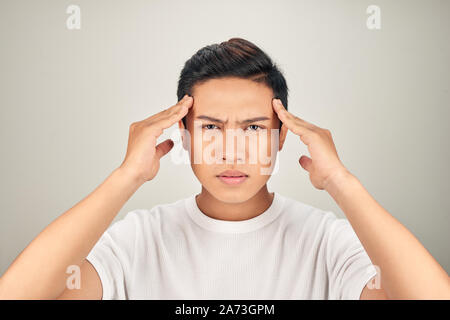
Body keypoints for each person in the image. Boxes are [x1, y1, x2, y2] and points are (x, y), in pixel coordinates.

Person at [0, 38, 448, 300]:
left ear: (282, 135)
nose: (231, 152)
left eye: (254, 128)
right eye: (211, 127)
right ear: (185, 135)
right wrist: (126, 177)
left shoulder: (326, 241)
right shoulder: (138, 240)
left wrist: (341, 182)